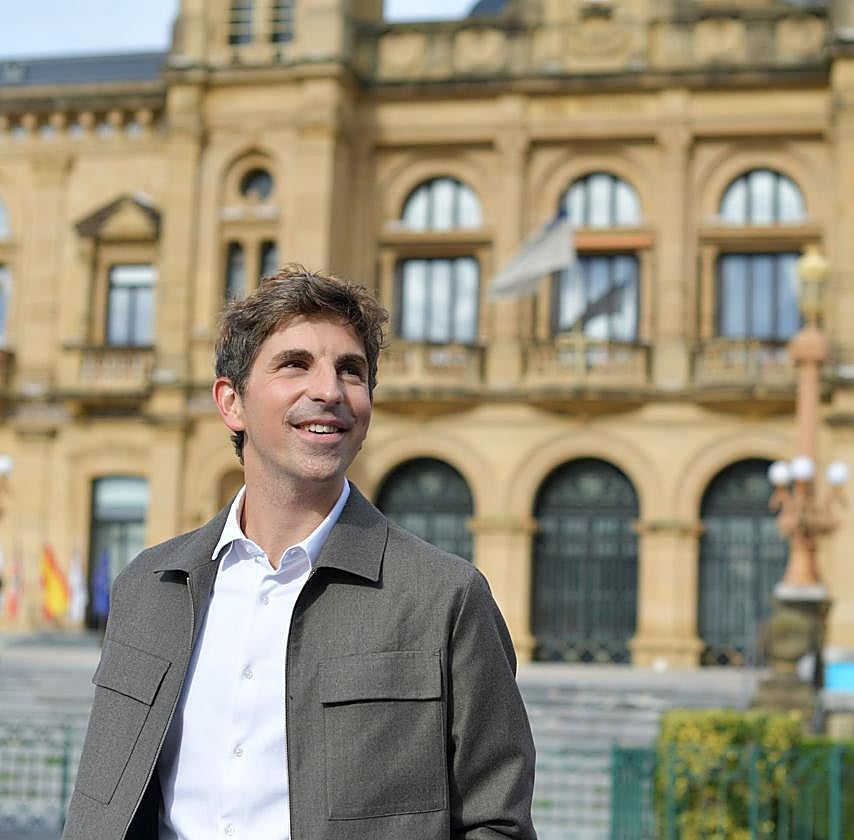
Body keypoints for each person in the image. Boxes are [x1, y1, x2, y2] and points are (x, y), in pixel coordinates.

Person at [64, 266, 537, 839]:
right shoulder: (149, 585)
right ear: (231, 402)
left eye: (351, 371)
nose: (330, 391)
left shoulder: (446, 599)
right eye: (295, 364)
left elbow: (496, 824)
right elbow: (102, 802)